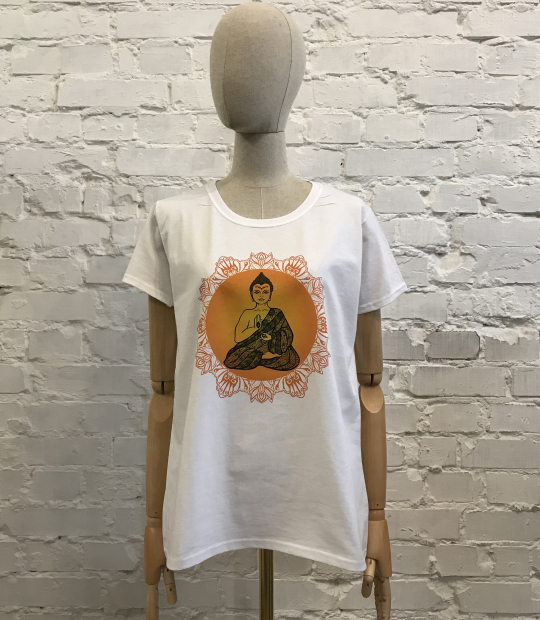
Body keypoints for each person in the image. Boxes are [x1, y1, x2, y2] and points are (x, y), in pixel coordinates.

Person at [223, 271, 300, 371]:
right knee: (231, 359)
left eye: (265, 292)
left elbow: (287, 333)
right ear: (251, 294)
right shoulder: (247, 313)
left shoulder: (277, 313)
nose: (261, 295)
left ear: (270, 294)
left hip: (272, 347)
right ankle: (263, 358)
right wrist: (254, 328)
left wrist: (271, 337)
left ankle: (259, 359)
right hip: (251, 348)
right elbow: (238, 338)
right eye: (257, 292)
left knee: (291, 358)